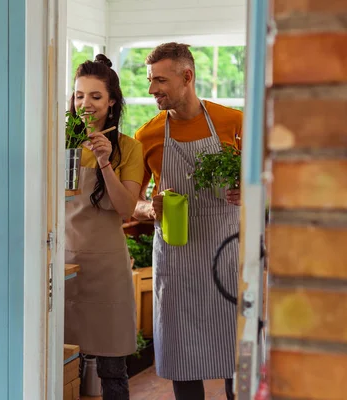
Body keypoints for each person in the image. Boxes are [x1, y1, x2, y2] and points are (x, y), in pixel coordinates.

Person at [133, 42, 242, 400]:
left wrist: (252, 194)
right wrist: (151, 208)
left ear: (188, 76)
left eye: (160, 80)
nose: (152, 90)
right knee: (181, 352)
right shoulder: (147, 135)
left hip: (227, 252)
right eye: (150, 80)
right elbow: (132, 200)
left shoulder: (234, 123)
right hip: (178, 257)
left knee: (236, 350)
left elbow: (273, 181)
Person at [65, 54, 144, 400]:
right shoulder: (59, 144)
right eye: (79, 95)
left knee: (113, 370)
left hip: (108, 266)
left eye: (95, 96)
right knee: (67, 364)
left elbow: (126, 208)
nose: (86, 104)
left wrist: (104, 162)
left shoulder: (128, 148)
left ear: (112, 101)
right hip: (64, 265)